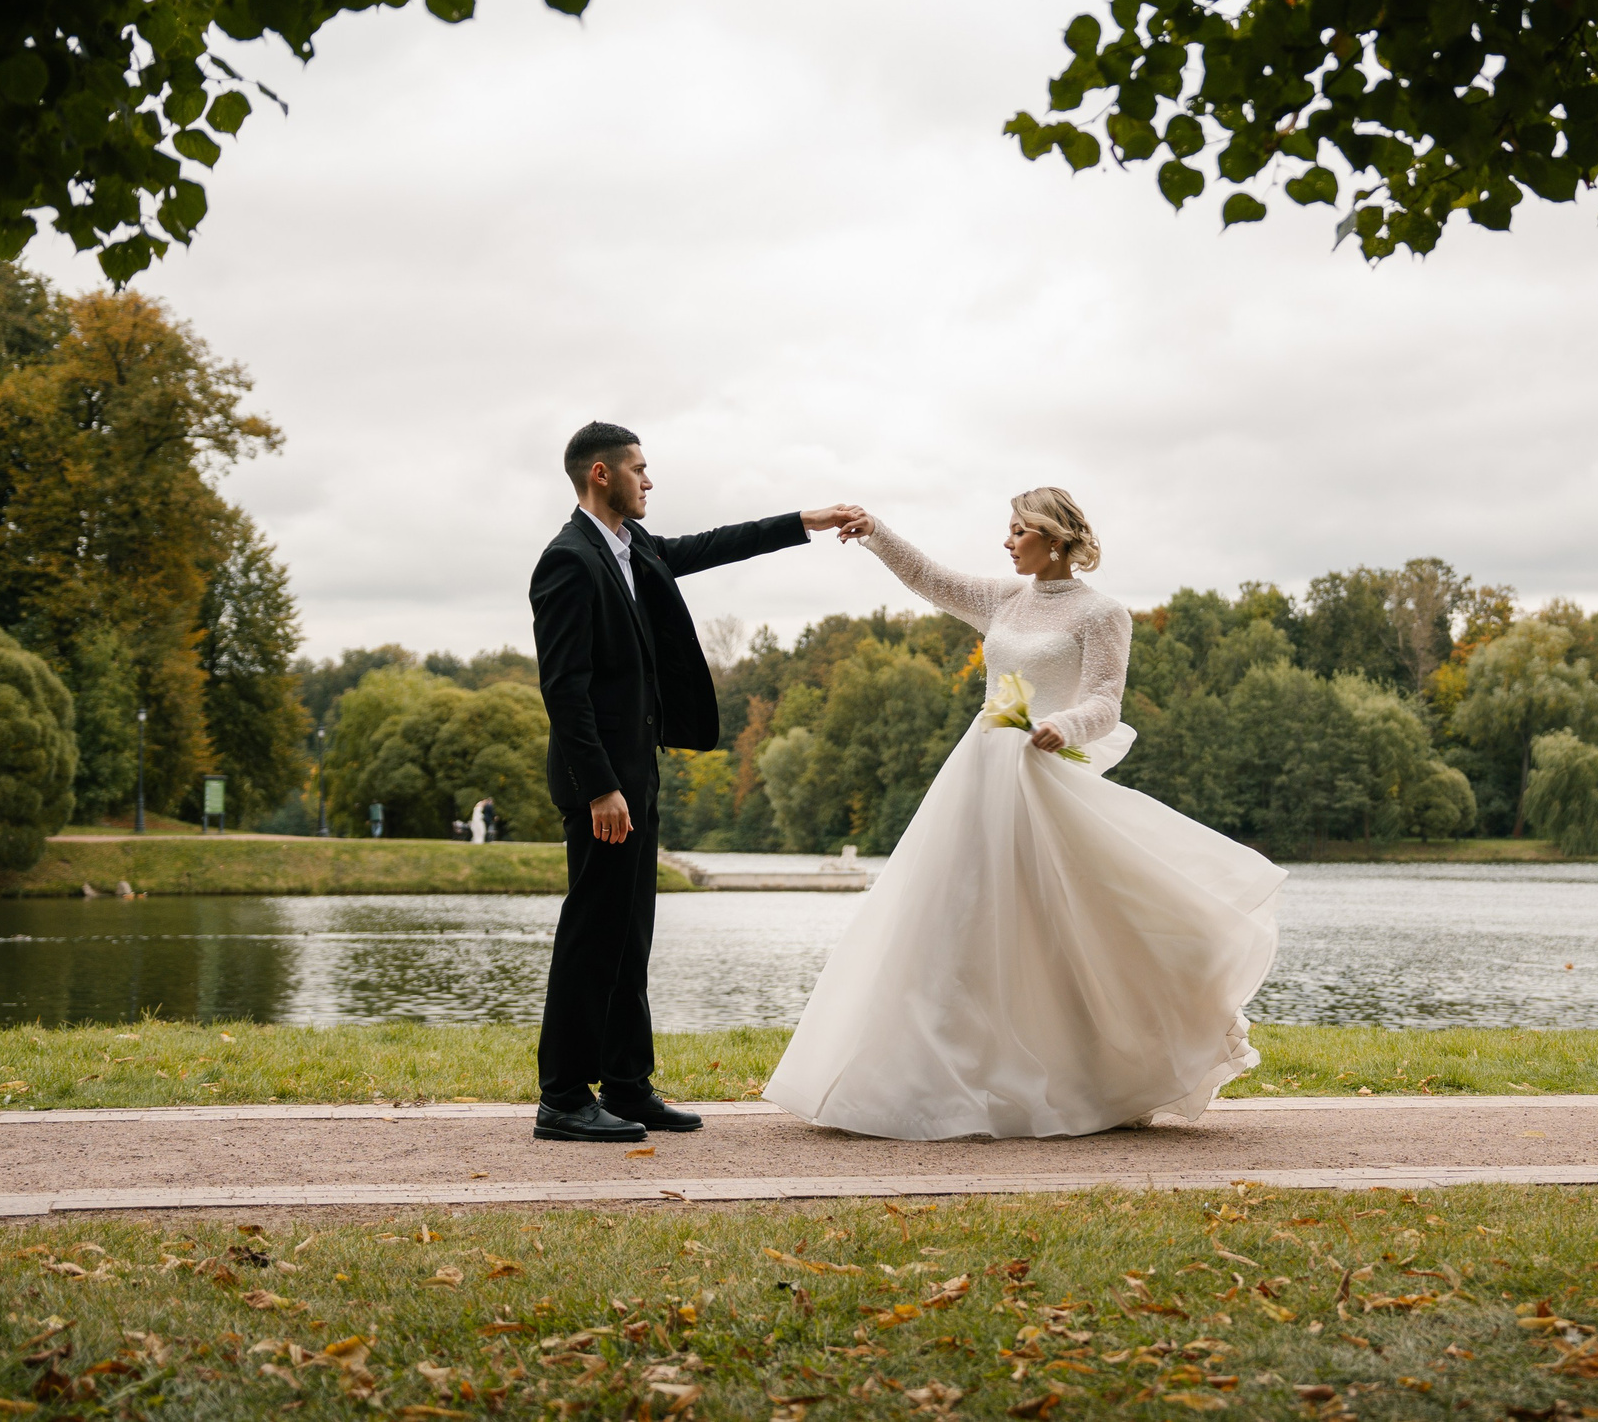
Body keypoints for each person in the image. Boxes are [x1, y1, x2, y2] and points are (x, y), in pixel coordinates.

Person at [763, 488, 1284, 1140]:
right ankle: (926, 1079)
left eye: (1018, 531)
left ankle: (1089, 1073)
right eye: (1007, 530)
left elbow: (1106, 701)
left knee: (1057, 924)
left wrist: (1066, 725)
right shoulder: (1004, 599)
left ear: (1055, 539)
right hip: (979, 771)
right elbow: (928, 577)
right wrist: (875, 531)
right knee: (952, 919)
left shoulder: (1102, 613)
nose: (1007, 542)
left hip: (1041, 771)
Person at [530, 420, 863, 1143]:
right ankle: (562, 1096)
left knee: (631, 935)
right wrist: (600, 787)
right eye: (638, 469)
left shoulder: (634, 547)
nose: (648, 480)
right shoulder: (568, 561)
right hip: (602, 788)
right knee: (592, 934)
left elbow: (715, 544)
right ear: (600, 474)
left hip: (637, 777)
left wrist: (805, 521)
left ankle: (626, 1084)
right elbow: (564, 688)